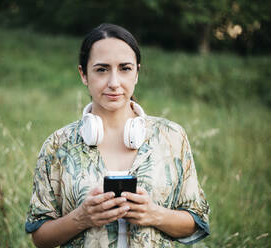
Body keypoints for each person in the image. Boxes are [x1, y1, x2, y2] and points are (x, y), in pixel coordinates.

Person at [25, 23, 210, 248]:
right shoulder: (57, 145)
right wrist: (81, 218)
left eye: (125, 68)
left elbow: (195, 221)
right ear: (83, 74)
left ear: (137, 73)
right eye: (101, 69)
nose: (114, 83)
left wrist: (155, 214)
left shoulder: (172, 137)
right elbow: (40, 238)